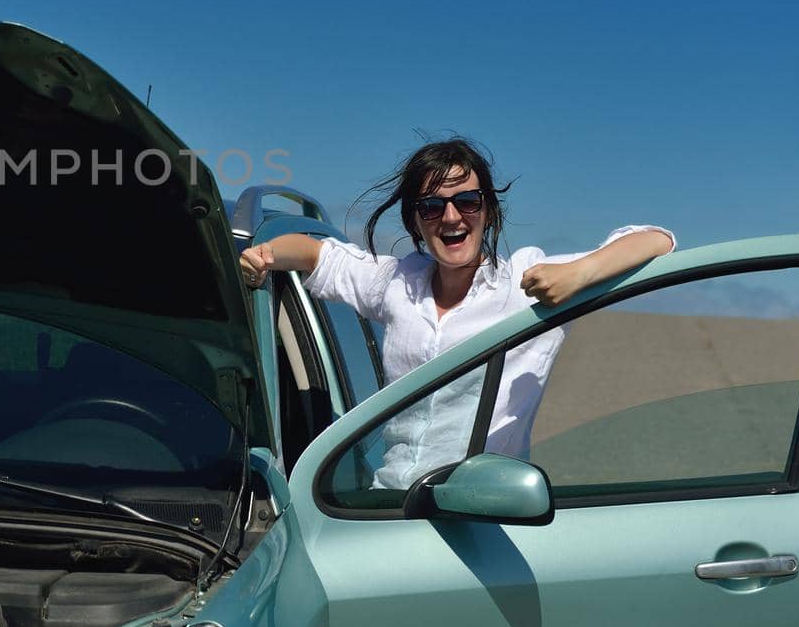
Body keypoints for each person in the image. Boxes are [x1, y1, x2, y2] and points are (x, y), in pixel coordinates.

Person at [238, 138, 673, 489]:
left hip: (480, 514)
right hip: (386, 506)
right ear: (415, 222)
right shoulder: (395, 282)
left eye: (467, 201)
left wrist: (578, 275)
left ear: (487, 210)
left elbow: (657, 240)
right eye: (431, 206)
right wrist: (266, 254)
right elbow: (318, 255)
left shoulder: (524, 284)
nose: (450, 216)